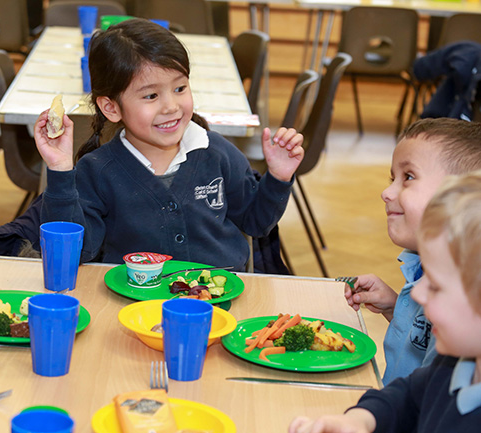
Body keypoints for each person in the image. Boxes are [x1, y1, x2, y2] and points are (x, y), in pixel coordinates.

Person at [33, 19, 304, 271]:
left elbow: (256, 222)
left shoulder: (217, 152)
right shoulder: (97, 170)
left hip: (219, 306)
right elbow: (76, 252)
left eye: (180, 88)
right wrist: (60, 169)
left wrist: (279, 177)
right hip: (136, 305)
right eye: (151, 95)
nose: (171, 107)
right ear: (111, 107)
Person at [289, 170, 481, 433]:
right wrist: (360, 418)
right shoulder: (453, 366)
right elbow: (408, 395)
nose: (416, 294)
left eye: (435, 285)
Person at [343, 118, 481, 385]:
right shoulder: (424, 267)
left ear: (460, 194)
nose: (386, 192)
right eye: (392, 178)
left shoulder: (466, 302)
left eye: (408, 177)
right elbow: (422, 342)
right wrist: (396, 308)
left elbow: (426, 395)